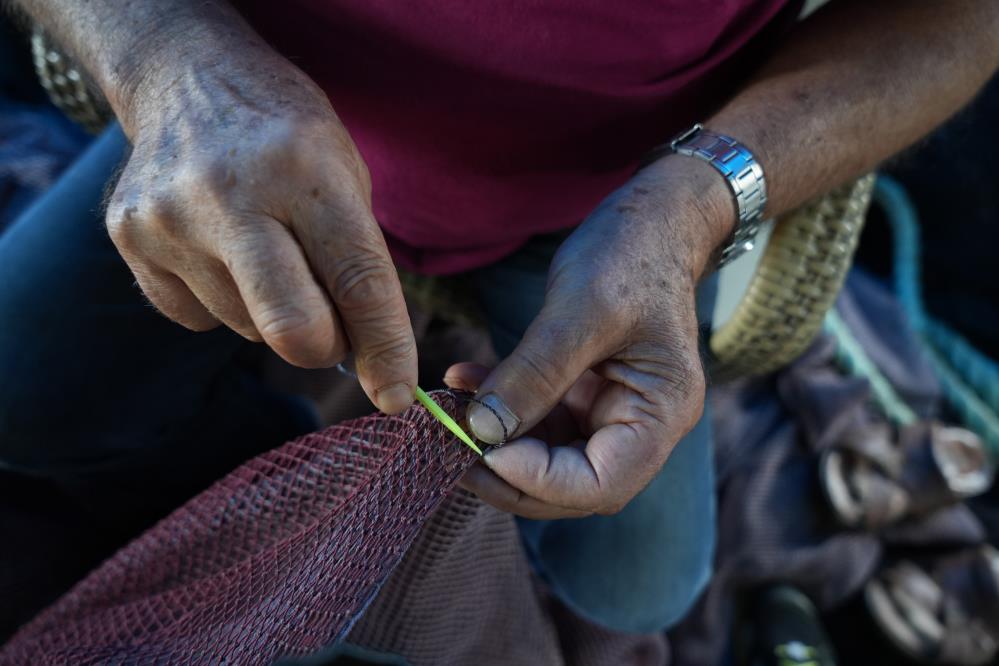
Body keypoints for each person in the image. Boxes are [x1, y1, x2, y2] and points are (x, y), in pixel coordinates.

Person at [3, 0, 998, 638]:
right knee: (24, 400)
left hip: (618, 197)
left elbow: (960, 19)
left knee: (638, 591)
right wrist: (172, 61)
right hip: (250, 123)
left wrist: (693, 203)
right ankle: (283, 487)